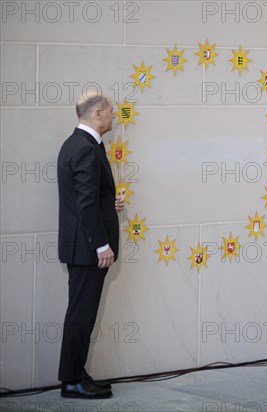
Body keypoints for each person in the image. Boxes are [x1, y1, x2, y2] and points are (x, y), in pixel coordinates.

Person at [57, 92, 124, 399]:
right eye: (111, 112)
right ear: (98, 113)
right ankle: (72, 380)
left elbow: (88, 198)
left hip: (82, 246)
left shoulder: (78, 144)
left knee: (81, 314)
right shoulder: (85, 149)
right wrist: (101, 245)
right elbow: (84, 204)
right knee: (81, 315)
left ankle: (77, 374)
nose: (114, 117)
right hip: (87, 249)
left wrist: (110, 204)